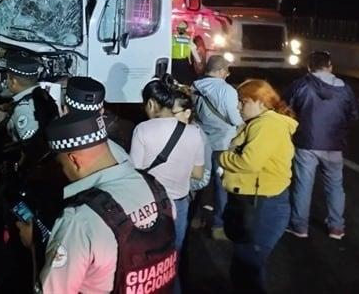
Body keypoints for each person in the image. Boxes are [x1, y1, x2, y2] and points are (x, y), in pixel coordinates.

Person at [17, 108, 177, 293]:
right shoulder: (157, 190)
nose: (62, 171)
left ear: (74, 160)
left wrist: (34, 246)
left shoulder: (79, 221)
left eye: (61, 164)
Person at [219, 79, 297, 294]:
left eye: (243, 102)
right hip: (253, 201)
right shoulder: (258, 123)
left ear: (261, 102)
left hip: (262, 205)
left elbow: (248, 162)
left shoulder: (267, 125)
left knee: (248, 267)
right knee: (245, 267)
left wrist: (223, 158)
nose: (238, 107)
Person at [283, 51, 359, 240]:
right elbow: (354, 115)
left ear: (309, 67)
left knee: (303, 184)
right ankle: (336, 227)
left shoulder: (301, 84)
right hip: (334, 144)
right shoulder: (345, 88)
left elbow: (285, 108)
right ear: (330, 66)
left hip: (307, 142)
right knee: (335, 185)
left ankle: (300, 226)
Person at [131, 78, 205, 253]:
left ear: (150, 103)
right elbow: (198, 173)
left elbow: (135, 173)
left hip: (151, 204)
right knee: (173, 256)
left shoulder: (142, 129)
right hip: (179, 204)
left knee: (150, 255)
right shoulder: (194, 133)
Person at [191, 55, 243, 240]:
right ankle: (218, 225)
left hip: (201, 140)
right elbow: (235, 119)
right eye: (227, 71)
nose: (227, 75)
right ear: (221, 71)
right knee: (221, 184)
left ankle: (194, 217)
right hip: (223, 143)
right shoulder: (227, 90)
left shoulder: (195, 86)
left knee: (198, 180)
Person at [5, 54, 41, 143]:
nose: (6, 82)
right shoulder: (42, 94)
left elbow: (31, 145)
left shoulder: (23, 109)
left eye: (7, 78)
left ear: (13, 81)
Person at [170, 21, 201, 86]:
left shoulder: (173, 37)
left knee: (175, 79)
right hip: (183, 62)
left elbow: (167, 48)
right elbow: (193, 50)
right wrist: (198, 60)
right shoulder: (188, 38)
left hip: (175, 62)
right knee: (184, 80)